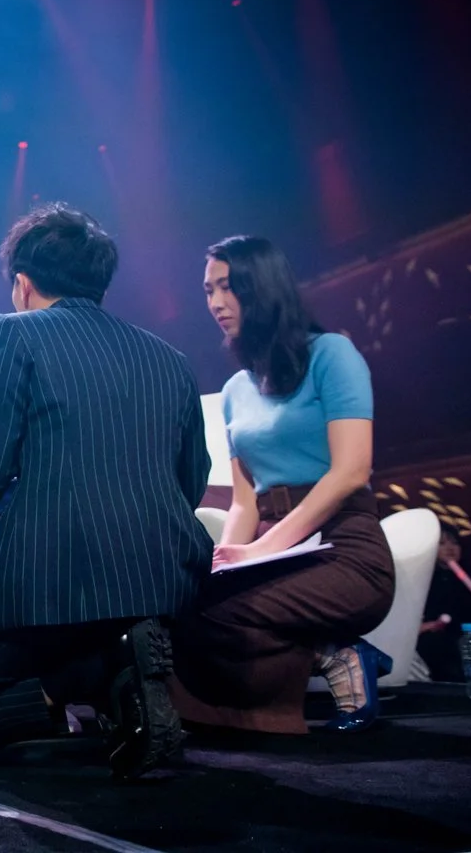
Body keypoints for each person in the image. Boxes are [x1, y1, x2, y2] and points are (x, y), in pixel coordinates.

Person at [0, 205, 212, 778]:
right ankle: (119, 667)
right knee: (95, 634)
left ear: (22, 284)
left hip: (46, 577)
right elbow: (191, 481)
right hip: (157, 577)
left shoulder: (13, 332)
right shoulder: (171, 359)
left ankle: (85, 676)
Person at [172, 236, 395, 734]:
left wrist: (263, 548)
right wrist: (227, 560)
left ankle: (324, 660)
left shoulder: (332, 354)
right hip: (271, 550)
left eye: (228, 287)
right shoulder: (235, 389)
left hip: (343, 544)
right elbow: (244, 502)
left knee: (224, 615)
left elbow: (351, 471)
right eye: (208, 290)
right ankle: (327, 655)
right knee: (186, 604)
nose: (216, 303)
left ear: (263, 287)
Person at [417, 526, 471, 682]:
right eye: (442, 543)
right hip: (435, 644)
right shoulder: (421, 579)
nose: (450, 548)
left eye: (455, 543)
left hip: (468, 641)